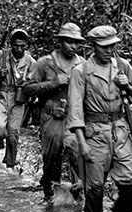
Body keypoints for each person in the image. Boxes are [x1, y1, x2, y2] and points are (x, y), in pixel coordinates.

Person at [67, 25, 132, 212]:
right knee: (95, 188)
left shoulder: (122, 65)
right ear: (93, 47)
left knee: (131, 183)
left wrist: (127, 86)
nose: (110, 50)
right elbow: (75, 111)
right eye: (104, 47)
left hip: (120, 131)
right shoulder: (81, 71)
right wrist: (82, 143)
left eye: (113, 46)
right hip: (94, 133)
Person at [23, 23, 86, 202]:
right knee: (52, 157)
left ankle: (77, 195)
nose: (73, 46)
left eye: (77, 43)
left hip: (74, 118)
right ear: (60, 42)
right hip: (52, 117)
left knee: (77, 155)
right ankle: (50, 195)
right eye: (69, 42)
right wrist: (53, 83)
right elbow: (27, 89)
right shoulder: (45, 63)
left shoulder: (82, 64)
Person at [0, 29, 36, 168]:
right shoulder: (0, 55)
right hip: (0, 96)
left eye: (22, 46)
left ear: (26, 46)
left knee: (13, 135)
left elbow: (37, 78)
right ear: (10, 44)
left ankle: (10, 165)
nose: (19, 49)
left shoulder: (30, 61)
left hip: (18, 100)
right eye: (16, 45)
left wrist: (30, 85)